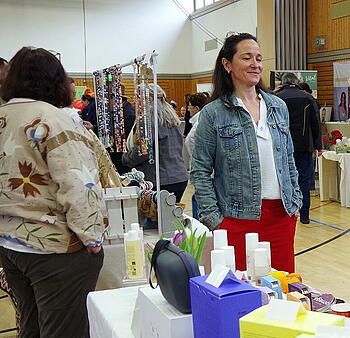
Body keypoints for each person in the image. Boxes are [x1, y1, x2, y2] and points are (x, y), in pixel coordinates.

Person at [0, 46, 111, 338]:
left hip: (10, 243)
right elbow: (79, 185)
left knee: (31, 326)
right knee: (61, 335)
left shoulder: (3, 117)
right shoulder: (55, 120)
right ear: (56, 80)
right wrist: (92, 237)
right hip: (54, 247)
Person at [191, 33, 302, 273]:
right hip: (236, 220)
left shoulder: (277, 106)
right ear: (227, 64)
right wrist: (216, 220)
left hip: (281, 217)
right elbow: (199, 170)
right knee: (243, 288)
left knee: (282, 286)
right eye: (247, 57)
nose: (255, 64)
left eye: (259, 58)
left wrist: (296, 201)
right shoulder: (213, 113)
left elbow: (288, 159)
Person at [122, 83, 189, 202]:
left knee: (157, 213)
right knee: (172, 212)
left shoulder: (148, 121)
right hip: (179, 176)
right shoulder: (172, 119)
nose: (135, 101)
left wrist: (125, 158)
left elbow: (142, 152)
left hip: (160, 179)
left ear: (148, 99)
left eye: (137, 97)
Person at [275, 72, 322, 224]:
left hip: (281, 146)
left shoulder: (277, 98)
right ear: (297, 81)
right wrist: (318, 145)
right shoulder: (308, 97)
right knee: (303, 180)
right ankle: (305, 215)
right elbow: (316, 123)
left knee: (283, 179)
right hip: (304, 145)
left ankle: (286, 213)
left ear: (282, 82)